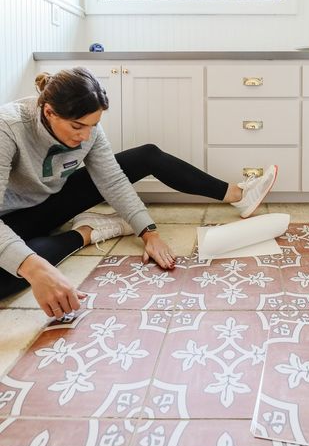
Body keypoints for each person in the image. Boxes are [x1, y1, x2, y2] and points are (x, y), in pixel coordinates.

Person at [0, 67, 278, 319]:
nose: (85, 136)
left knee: (146, 155)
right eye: (77, 127)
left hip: (49, 202)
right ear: (49, 112)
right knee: (12, 270)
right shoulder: (8, 127)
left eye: (93, 125)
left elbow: (112, 181)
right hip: (9, 218)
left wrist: (149, 232)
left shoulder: (89, 131)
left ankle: (239, 195)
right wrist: (35, 268)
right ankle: (87, 233)